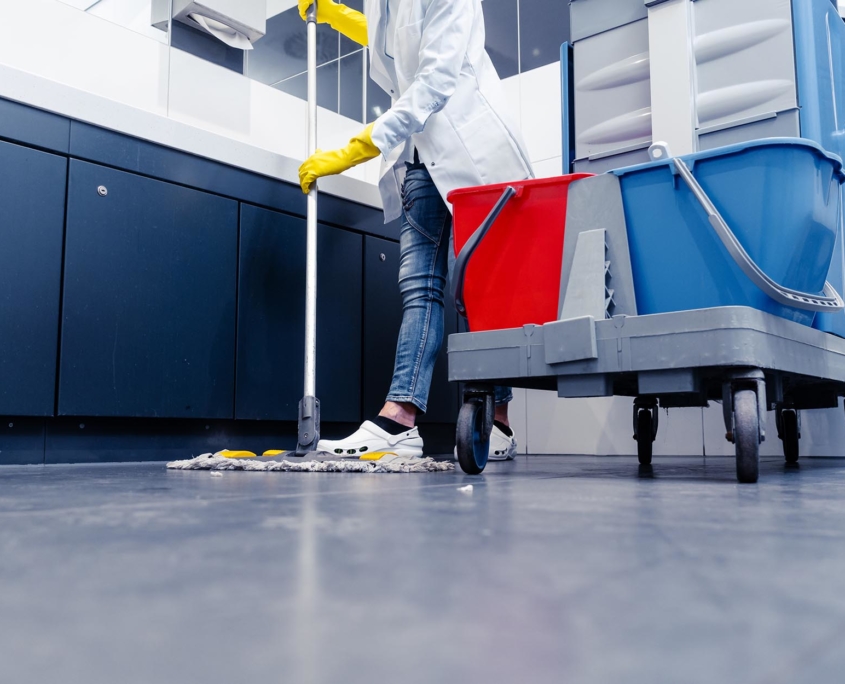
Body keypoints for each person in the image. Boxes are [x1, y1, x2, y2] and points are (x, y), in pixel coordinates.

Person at [298, 0, 534, 459]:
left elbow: (435, 79)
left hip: (474, 156)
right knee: (419, 285)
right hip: (419, 158)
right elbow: (395, 41)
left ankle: (500, 421)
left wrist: (359, 146)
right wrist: (336, 16)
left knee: (483, 293)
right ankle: (399, 419)